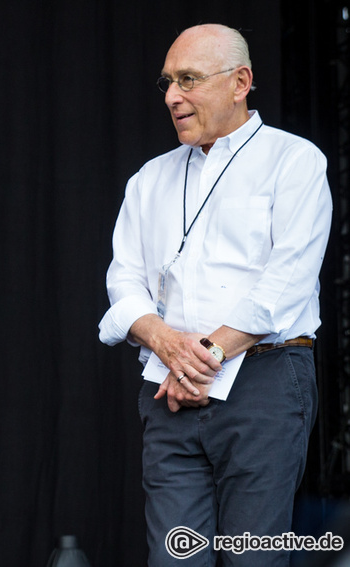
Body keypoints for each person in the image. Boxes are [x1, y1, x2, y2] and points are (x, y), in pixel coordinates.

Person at [98, 24, 332, 565]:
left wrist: (201, 359)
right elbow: (123, 279)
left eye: (188, 80)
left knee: (252, 558)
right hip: (169, 392)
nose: (173, 96)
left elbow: (287, 282)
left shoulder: (294, 161)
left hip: (264, 382)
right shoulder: (149, 179)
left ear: (240, 82)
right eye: (167, 83)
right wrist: (166, 345)